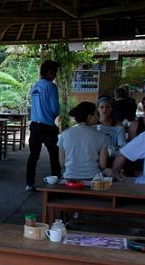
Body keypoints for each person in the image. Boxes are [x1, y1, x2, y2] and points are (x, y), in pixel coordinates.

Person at [26, 60, 62, 192]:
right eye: (55, 72)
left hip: (34, 125)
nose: (55, 75)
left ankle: (29, 183)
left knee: (33, 155)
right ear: (50, 72)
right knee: (54, 154)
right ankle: (56, 179)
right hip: (47, 126)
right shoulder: (51, 87)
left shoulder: (35, 86)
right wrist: (52, 116)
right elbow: (55, 109)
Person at [57, 102, 108, 180]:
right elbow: (103, 165)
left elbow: (62, 163)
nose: (98, 116)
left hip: (70, 178)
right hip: (93, 178)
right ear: (90, 117)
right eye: (96, 114)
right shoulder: (102, 136)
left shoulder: (64, 134)